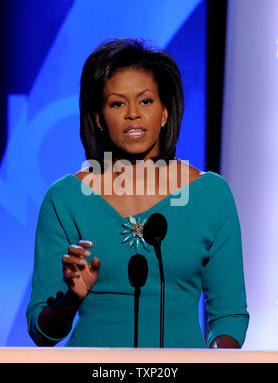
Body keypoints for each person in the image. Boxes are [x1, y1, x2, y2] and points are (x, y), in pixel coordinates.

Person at [26, 38, 249, 348]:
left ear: (165, 113)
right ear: (99, 119)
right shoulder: (64, 199)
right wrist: (72, 298)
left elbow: (228, 315)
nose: (133, 114)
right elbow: (42, 331)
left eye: (145, 101)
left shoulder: (211, 194)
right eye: (117, 103)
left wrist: (217, 354)